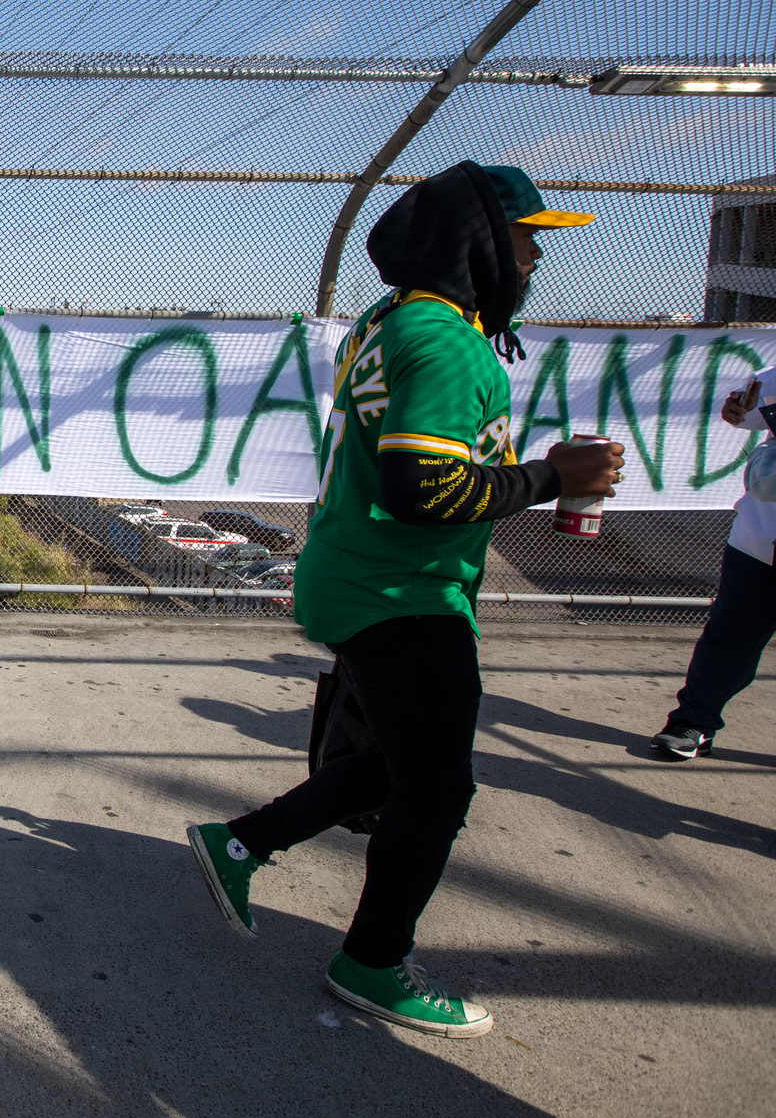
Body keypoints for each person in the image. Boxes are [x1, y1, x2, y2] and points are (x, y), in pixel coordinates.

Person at [184, 162, 624, 1038]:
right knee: (438, 787)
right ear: (482, 244)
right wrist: (551, 476)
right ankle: (372, 962)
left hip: (362, 576)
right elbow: (422, 485)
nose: (537, 259)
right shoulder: (442, 339)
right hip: (403, 589)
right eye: (528, 239)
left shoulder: (394, 320)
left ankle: (240, 843)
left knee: (401, 762)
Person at [650, 371, 776, 759]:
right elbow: (745, 412)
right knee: (729, 636)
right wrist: (738, 408)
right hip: (760, 540)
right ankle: (693, 721)